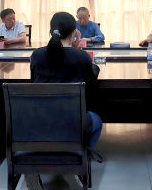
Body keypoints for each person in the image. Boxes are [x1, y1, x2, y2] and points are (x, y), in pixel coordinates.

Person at [28, 12, 102, 190]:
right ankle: (70, 163)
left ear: (51, 31)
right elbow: (91, 82)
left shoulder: (36, 55)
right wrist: (78, 49)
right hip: (72, 121)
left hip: (39, 122)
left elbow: (34, 82)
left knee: (50, 126)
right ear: (74, 33)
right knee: (97, 121)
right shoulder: (81, 57)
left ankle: (39, 165)